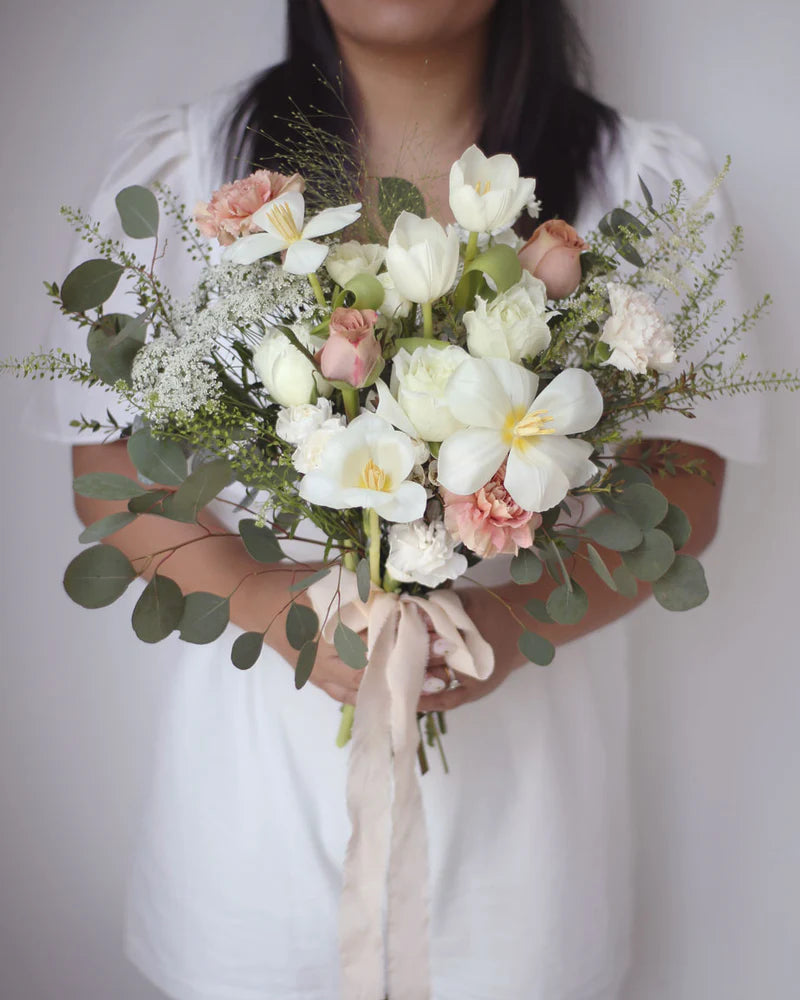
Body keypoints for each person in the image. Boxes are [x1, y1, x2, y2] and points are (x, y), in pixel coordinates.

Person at [36, 1, 760, 997]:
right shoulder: (185, 174)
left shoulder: (640, 188)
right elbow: (115, 474)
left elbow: (682, 487)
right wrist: (277, 610)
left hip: (524, 874)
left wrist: (504, 621)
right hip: (251, 860)